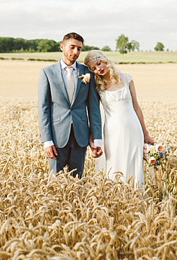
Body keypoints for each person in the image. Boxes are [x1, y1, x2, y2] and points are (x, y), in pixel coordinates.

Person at [84, 50, 154, 188]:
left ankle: (136, 198)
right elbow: (94, 113)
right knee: (116, 165)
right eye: (94, 68)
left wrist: (146, 134)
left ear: (104, 60)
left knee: (134, 165)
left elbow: (136, 107)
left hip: (134, 130)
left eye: (98, 63)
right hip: (113, 133)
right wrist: (93, 136)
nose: (99, 69)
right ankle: (118, 201)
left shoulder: (127, 78)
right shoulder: (97, 86)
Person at [38, 33, 103, 178]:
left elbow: (93, 108)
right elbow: (44, 109)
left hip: (80, 137)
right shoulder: (47, 73)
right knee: (55, 182)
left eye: (79, 49)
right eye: (72, 47)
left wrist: (97, 138)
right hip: (56, 137)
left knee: (77, 180)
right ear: (62, 47)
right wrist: (47, 141)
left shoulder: (87, 73)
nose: (75, 52)